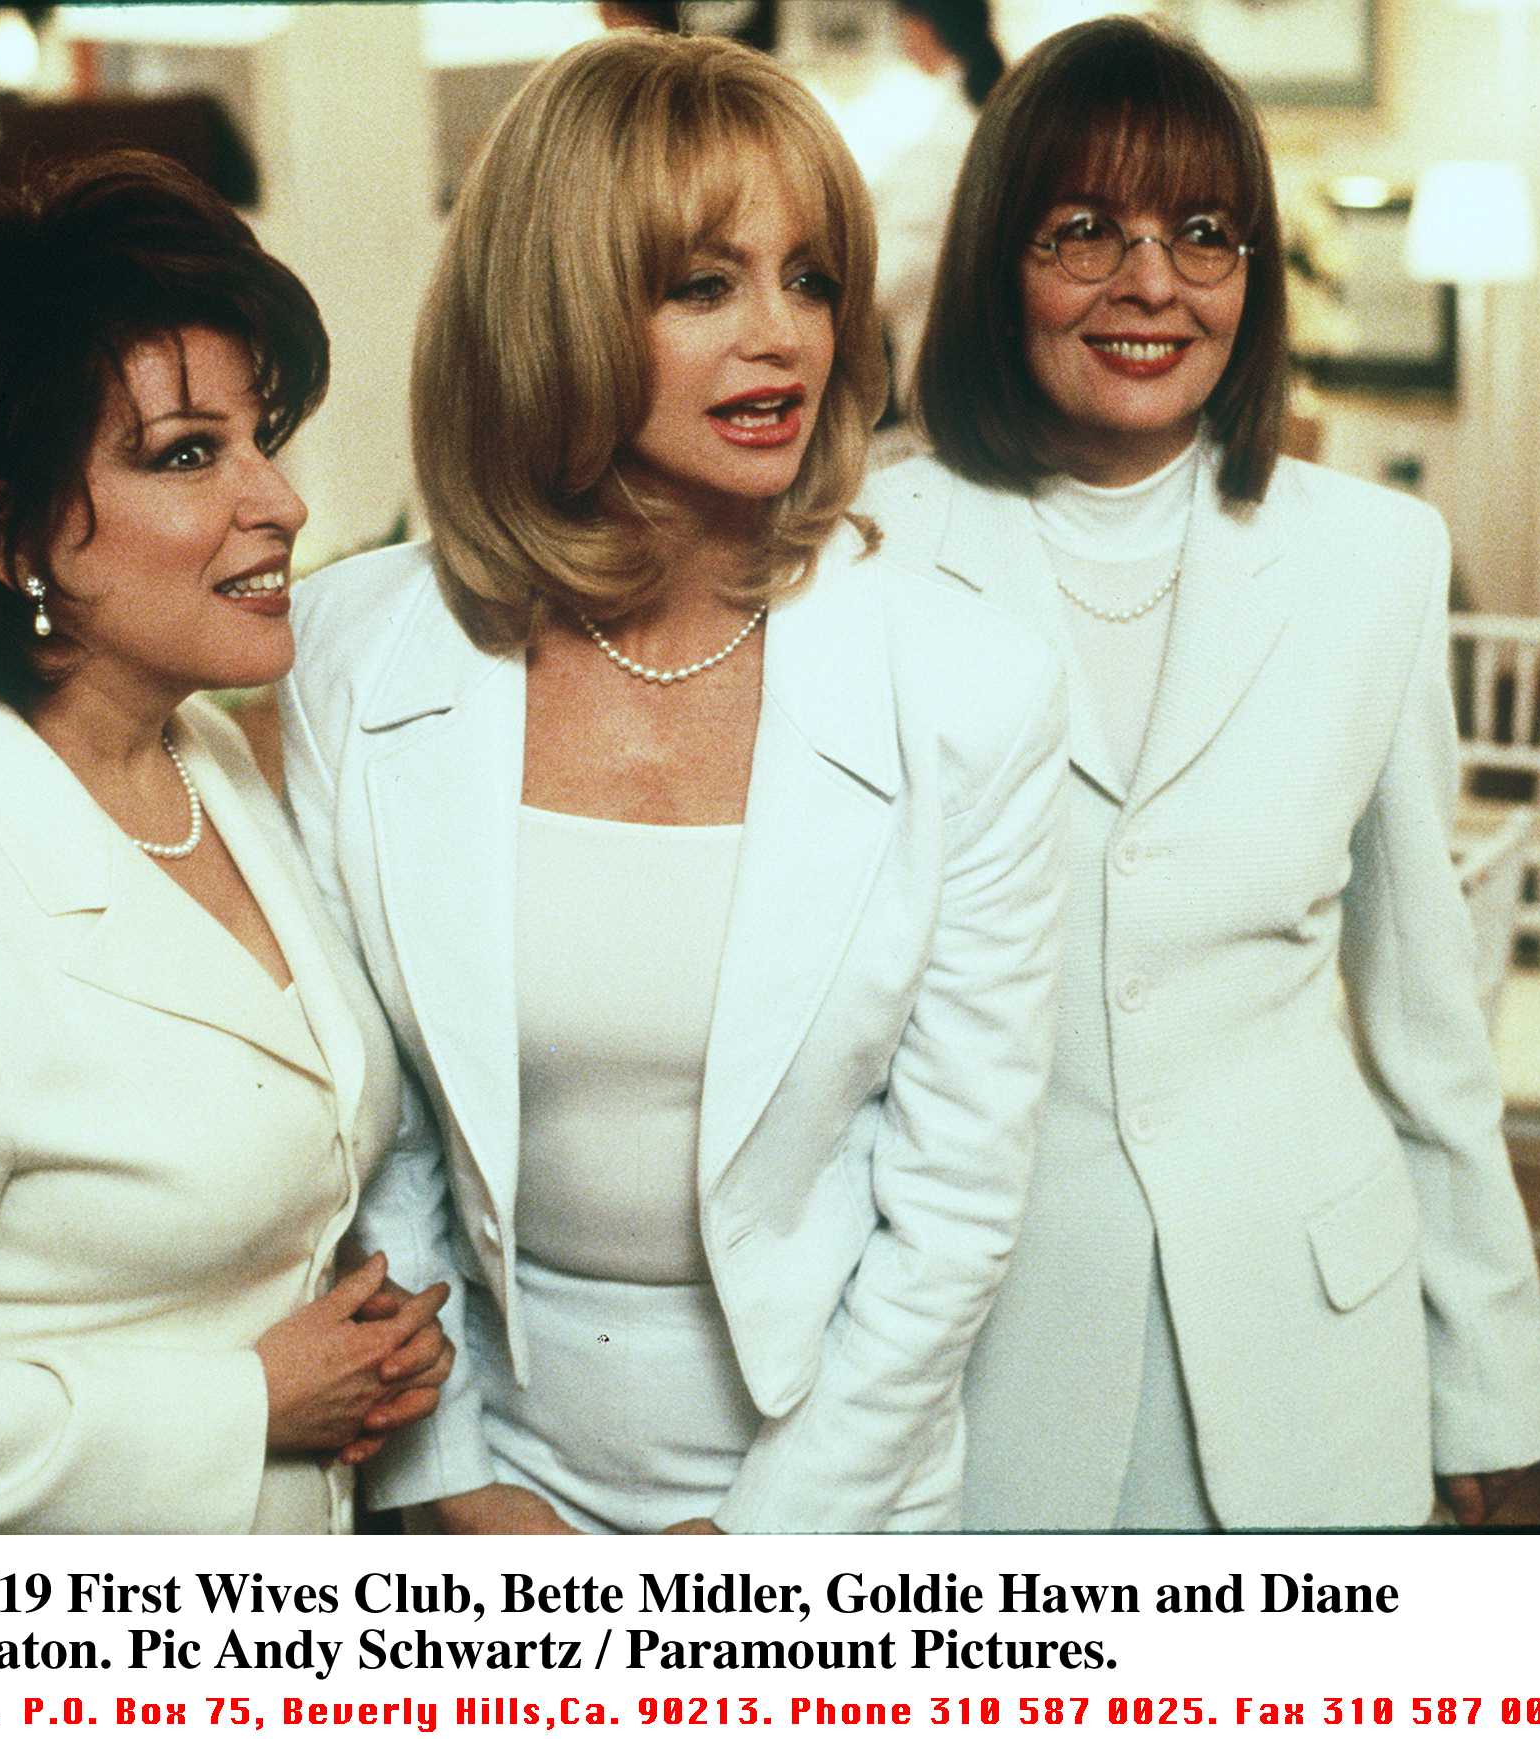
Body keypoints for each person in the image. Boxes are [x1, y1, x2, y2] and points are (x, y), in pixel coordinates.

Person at [280, 32, 1066, 1535]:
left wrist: (757, 1546)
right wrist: (458, 1482)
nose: (781, 335)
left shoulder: (970, 682)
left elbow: (956, 1204)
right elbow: (371, 1140)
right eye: (704, 284)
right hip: (474, 1451)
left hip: (832, 1474)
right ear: (556, 305)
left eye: (812, 277)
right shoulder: (353, 650)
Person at [866, 15, 1540, 1529]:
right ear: (998, 262)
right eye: (1084, 232)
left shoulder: (1378, 556)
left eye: (1203, 233)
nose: (1152, 284)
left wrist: (1484, 1365)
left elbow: (1423, 1002)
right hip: (976, 1357)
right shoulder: (863, 551)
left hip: (1314, 1336)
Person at [0, 151, 451, 1533]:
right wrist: (249, 1402)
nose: (280, 499)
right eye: (188, 454)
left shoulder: (206, 753)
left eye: (257, 435)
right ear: (7, 538)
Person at [872, 0, 1008, 414]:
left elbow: (896, 270)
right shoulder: (986, 103)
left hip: (945, 361)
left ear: (924, 26)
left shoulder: (944, 127)